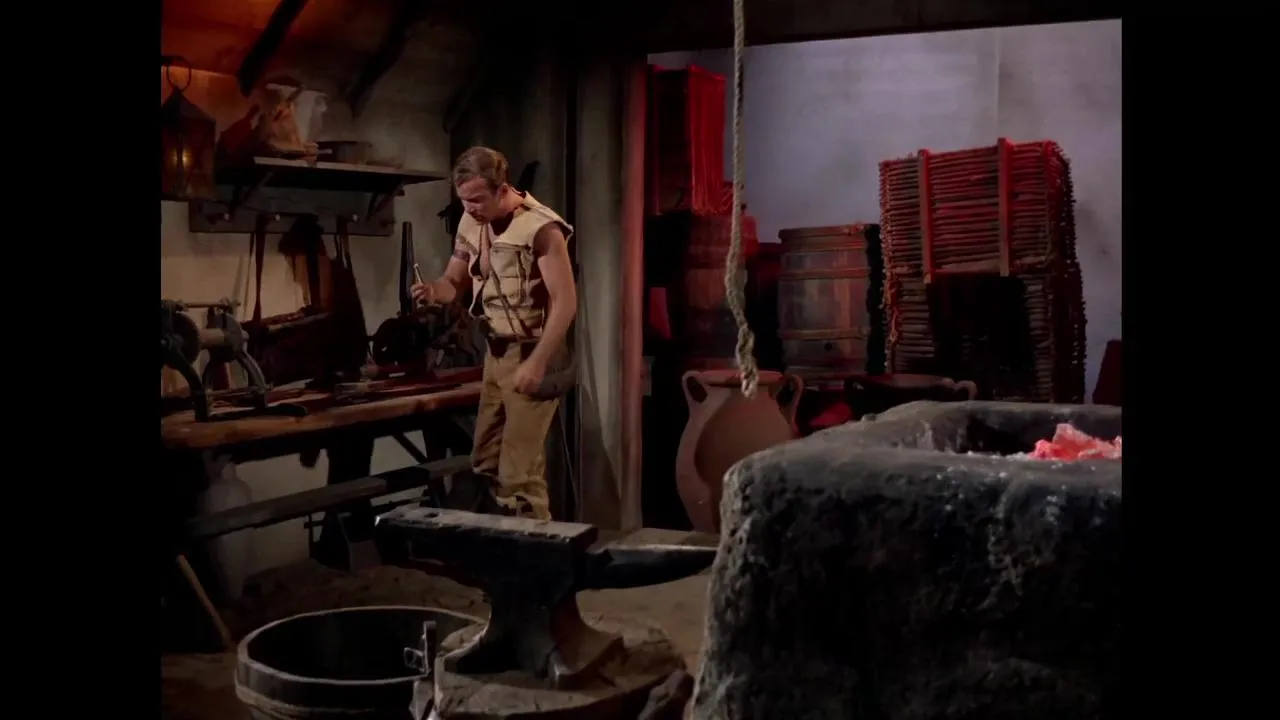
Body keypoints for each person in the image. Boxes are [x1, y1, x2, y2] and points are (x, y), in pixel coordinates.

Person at [411, 146, 576, 520]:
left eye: (476, 199)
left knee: (519, 477)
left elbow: (565, 302)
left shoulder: (541, 228)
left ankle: (535, 549)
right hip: (495, 354)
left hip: (533, 352)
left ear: (502, 189)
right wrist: (434, 291)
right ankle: (497, 542)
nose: (469, 208)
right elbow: (454, 282)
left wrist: (537, 363)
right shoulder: (472, 222)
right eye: (463, 200)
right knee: (484, 462)